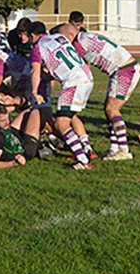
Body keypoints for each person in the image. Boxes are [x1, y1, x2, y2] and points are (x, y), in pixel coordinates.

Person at [58, 23, 140, 161]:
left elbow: (80, 66)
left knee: (112, 109)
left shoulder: (78, 44)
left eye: (63, 37)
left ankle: (124, 150)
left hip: (124, 69)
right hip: (122, 68)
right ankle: (114, 148)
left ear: (71, 35)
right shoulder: (86, 37)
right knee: (108, 109)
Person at [28, 21, 95, 170]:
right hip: (87, 76)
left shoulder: (37, 48)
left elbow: (35, 70)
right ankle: (86, 149)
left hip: (73, 82)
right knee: (69, 118)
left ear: (32, 36)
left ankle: (83, 160)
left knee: (61, 124)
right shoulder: (59, 37)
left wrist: (34, 91)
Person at [0, 103, 40, 168]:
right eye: (3, 120)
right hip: (26, 149)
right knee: (35, 111)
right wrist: (14, 163)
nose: (7, 122)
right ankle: (42, 137)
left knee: (29, 110)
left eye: (8, 118)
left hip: (12, 133)